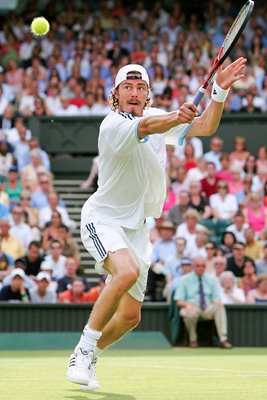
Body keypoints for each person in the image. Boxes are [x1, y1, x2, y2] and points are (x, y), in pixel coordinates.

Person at [67, 60, 246, 388]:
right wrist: (175, 117)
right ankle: (82, 349)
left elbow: (205, 126)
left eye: (140, 88)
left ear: (147, 94)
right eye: (127, 88)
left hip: (138, 227)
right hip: (103, 218)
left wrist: (219, 91)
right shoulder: (112, 124)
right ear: (116, 94)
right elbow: (147, 129)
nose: (134, 93)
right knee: (126, 272)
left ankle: (93, 355)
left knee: (130, 318)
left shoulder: (156, 115)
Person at [174, 256, 232, 348]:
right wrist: (187, 305)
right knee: (189, 313)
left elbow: (216, 298)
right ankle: (193, 340)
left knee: (220, 307)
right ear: (193, 266)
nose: (201, 268)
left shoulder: (212, 279)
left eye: (203, 266)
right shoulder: (184, 280)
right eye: (198, 266)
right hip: (191, 306)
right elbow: (178, 300)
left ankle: (223, 339)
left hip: (207, 307)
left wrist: (216, 302)